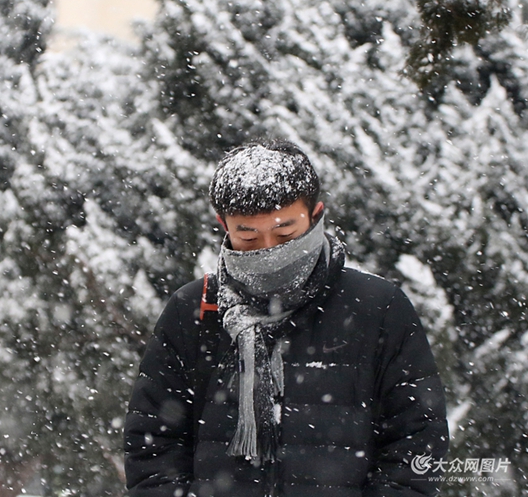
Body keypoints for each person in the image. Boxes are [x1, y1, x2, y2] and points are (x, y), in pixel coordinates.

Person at [123, 140, 448, 496]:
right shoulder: (194, 310)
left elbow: (418, 443)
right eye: (248, 237)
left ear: (316, 215)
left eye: (285, 234)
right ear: (223, 225)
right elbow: (152, 446)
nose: (269, 252)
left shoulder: (378, 308)